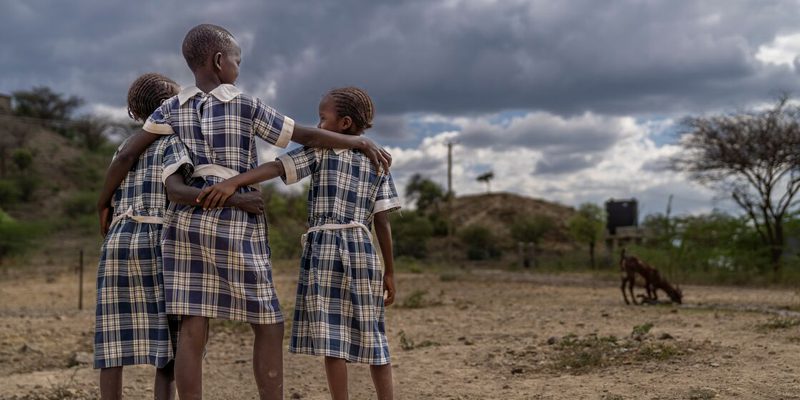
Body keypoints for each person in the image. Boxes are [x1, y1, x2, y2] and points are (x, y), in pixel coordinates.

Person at [95, 24, 391, 400]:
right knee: (267, 322)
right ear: (220, 61)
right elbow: (307, 136)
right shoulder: (245, 104)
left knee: (192, 325)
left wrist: (103, 202)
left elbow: (127, 153)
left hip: (186, 223)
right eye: (237, 60)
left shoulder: (171, 108)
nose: (238, 67)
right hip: (236, 222)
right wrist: (358, 142)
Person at [198, 87, 400, 400]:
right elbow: (382, 221)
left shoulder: (321, 150)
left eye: (322, 118)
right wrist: (389, 271)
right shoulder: (377, 160)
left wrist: (233, 182)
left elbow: (276, 167)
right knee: (374, 334)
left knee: (333, 339)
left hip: (325, 250)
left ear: (344, 123)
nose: (318, 125)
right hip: (363, 250)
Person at [95, 73, 264, 400]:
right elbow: (175, 191)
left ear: (134, 113)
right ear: (170, 109)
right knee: (171, 349)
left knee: (113, 343)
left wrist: (101, 203)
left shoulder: (123, 148)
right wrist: (236, 199)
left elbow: (120, 175)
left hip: (117, 242)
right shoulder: (173, 142)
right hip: (159, 241)